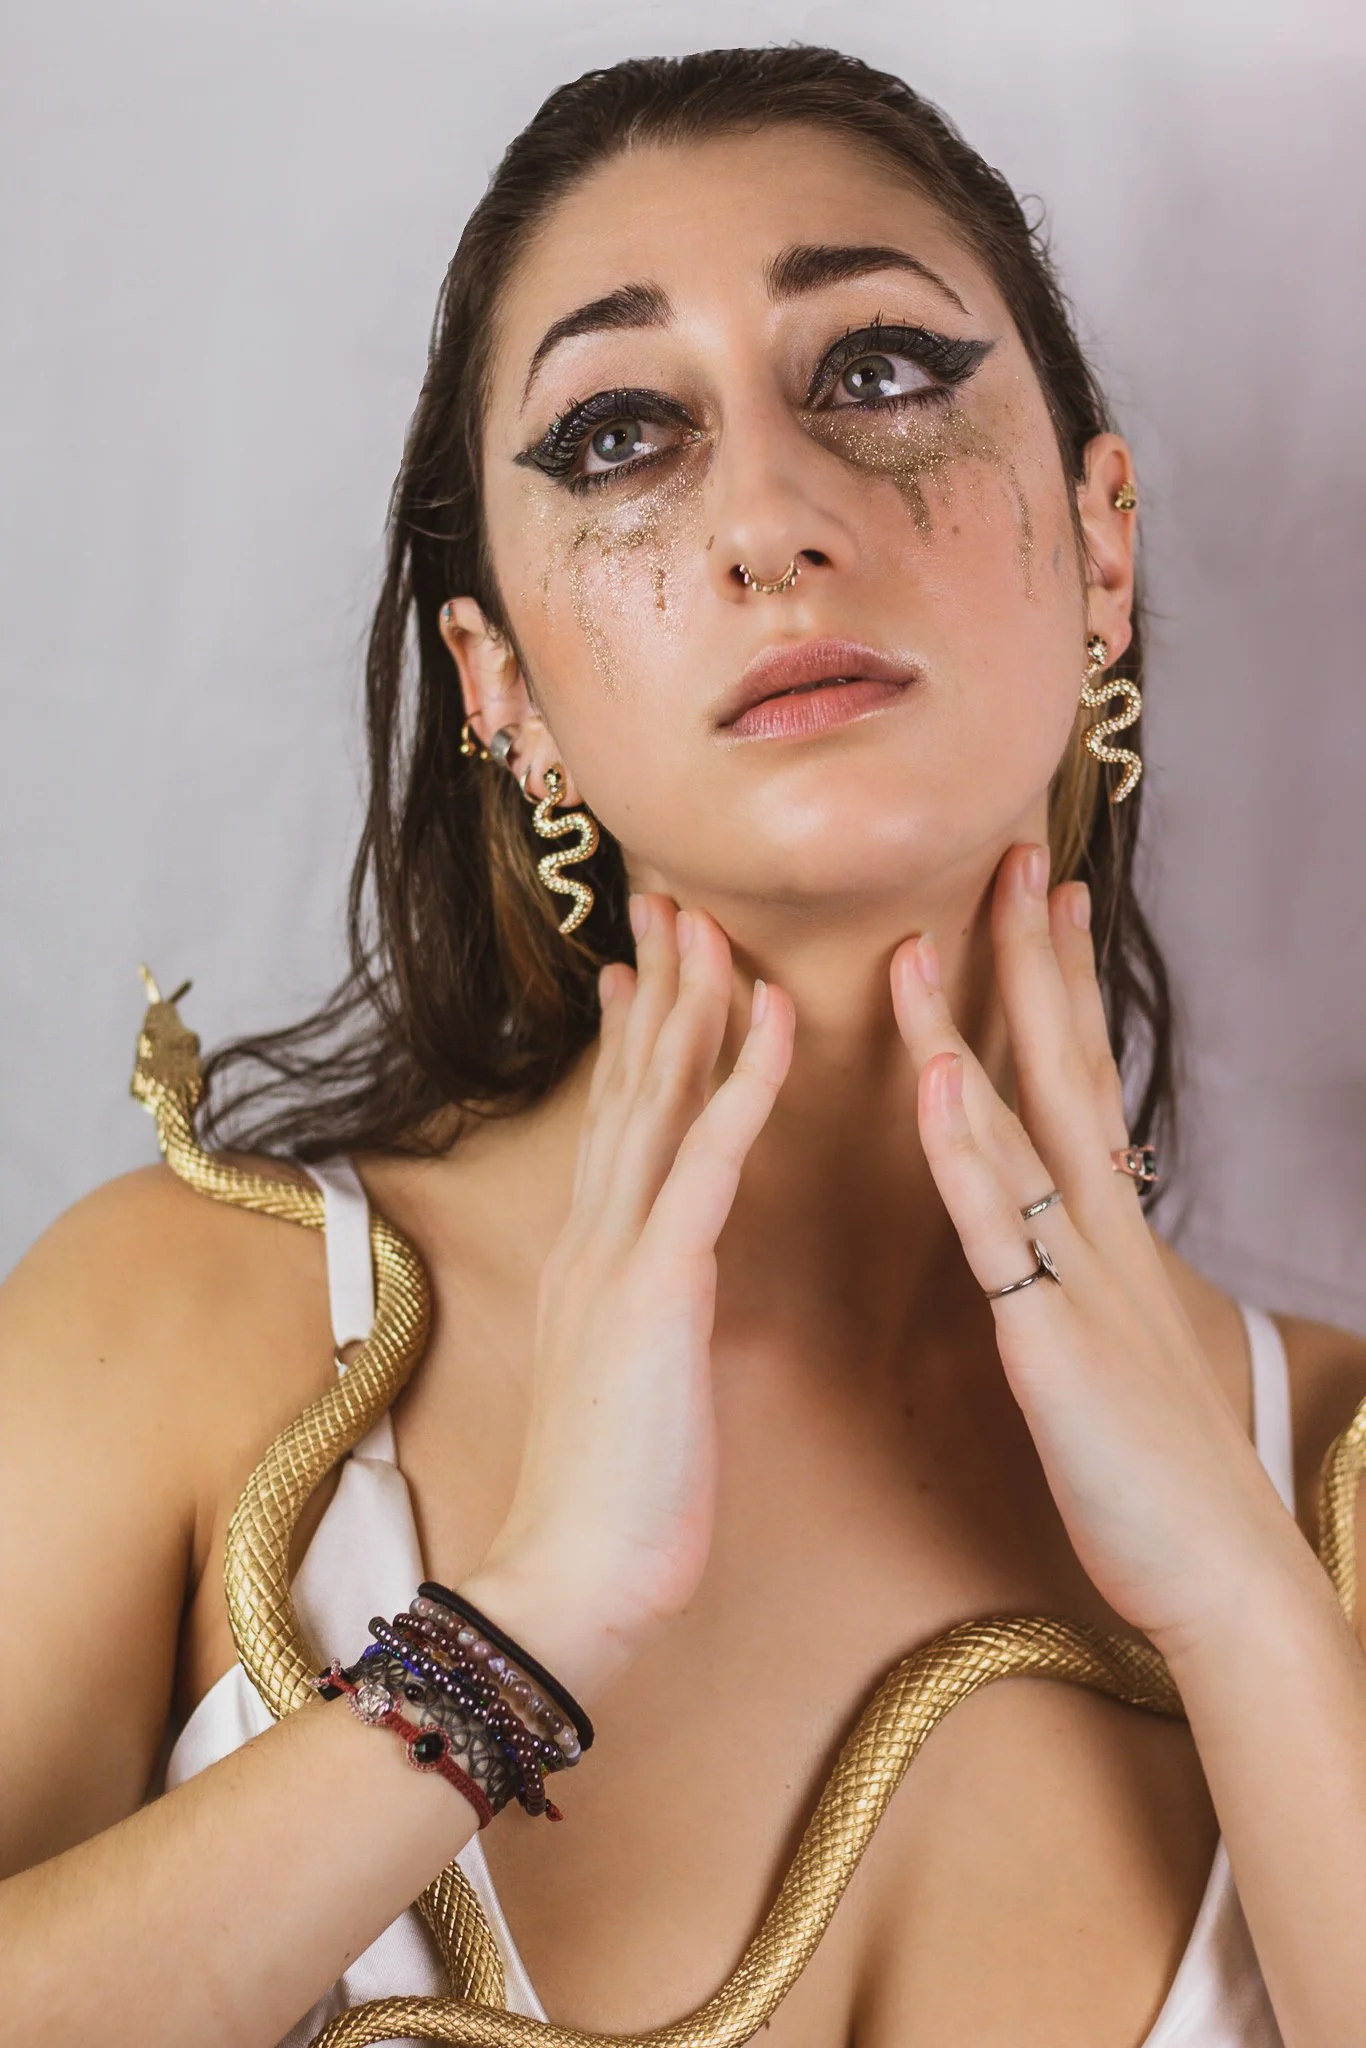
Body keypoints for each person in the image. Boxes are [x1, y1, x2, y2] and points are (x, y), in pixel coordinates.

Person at [2, 44, 1364, 2048]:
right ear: (501, 687)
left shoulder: (1326, 1469)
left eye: (876, 372)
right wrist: (520, 1628)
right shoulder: (188, 1328)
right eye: (619, 434)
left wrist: (1246, 1608)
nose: (770, 517)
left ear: (1101, 543)